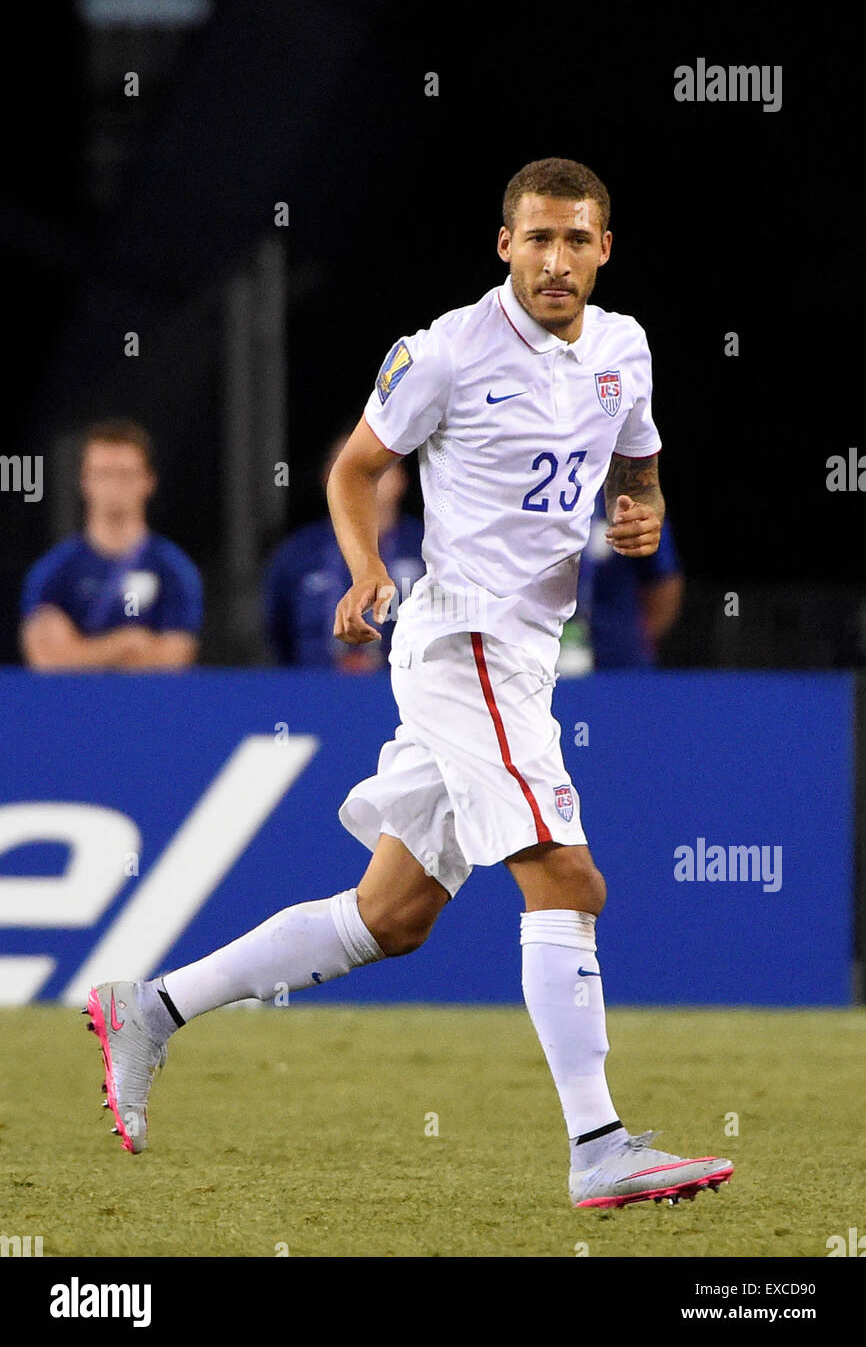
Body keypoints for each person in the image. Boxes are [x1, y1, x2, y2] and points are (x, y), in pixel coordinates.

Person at [85, 159, 733, 1211]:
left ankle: (149, 1005)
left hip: (524, 655)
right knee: (567, 881)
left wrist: (641, 510)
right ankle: (598, 1146)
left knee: (390, 916)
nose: (555, 259)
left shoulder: (623, 349)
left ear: (603, 249)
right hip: (461, 640)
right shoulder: (446, 351)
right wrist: (366, 567)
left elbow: (638, 468)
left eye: (575, 240)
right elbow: (350, 468)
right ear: (503, 244)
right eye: (536, 238)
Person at [21, 419, 202, 670]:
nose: (114, 486)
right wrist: (126, 643)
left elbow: (174, 658)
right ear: (84, 481)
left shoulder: (174, 569)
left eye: (125, 474)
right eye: (103, 473)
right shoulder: (53, 570)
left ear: (149, 481)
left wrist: (79, 651)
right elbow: (47, 660)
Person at [264, 431, 424, 671]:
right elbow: (277, 636)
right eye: (347, 466)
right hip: (313, 695)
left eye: (377, 466)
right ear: (328, 477)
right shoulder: (296, 553)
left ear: (401, 478)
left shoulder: (429, 549)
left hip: (409, 695)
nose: (362, 478)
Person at [559, 490, 684, 672]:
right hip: (543, 649)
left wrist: (636, 641)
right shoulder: (538, 492)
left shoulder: (629, 496)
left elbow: (664, 581)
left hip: (621, 659)